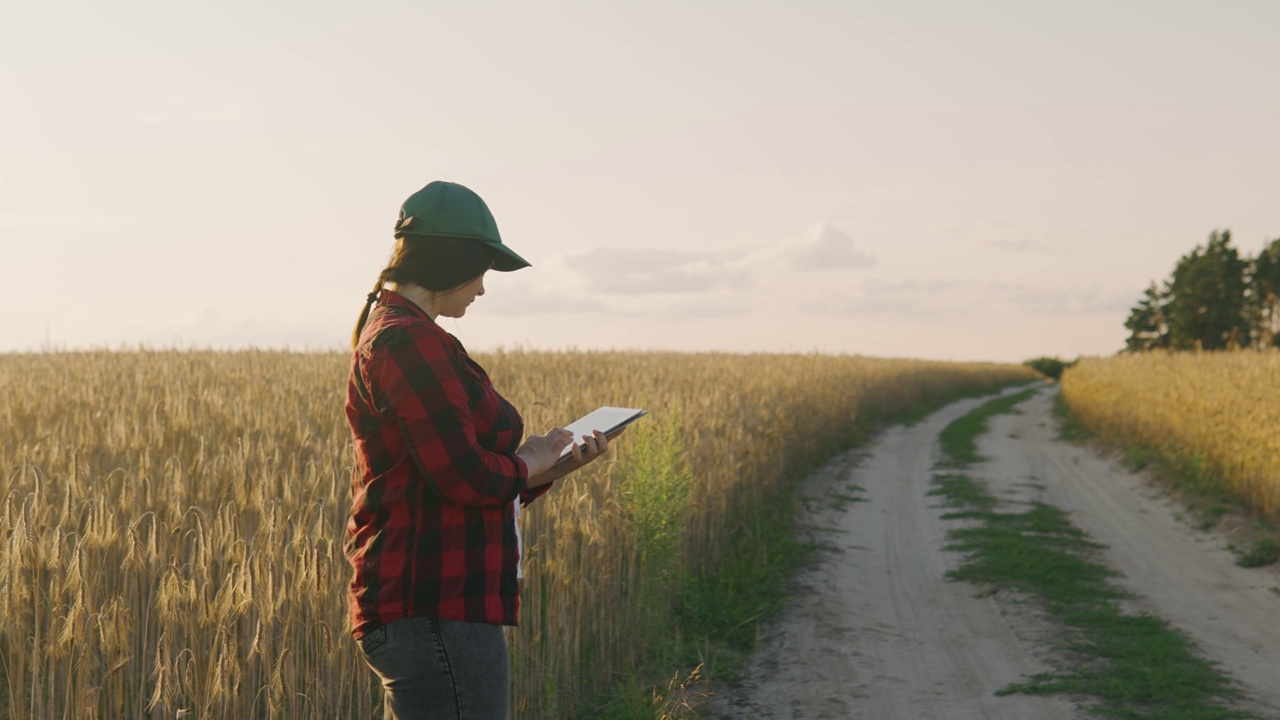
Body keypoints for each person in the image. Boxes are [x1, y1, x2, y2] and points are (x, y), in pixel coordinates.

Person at [344, 181, 614, 720]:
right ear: (453, 261)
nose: (483, 290)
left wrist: (544, 470)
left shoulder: (411, 334)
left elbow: (441, 483)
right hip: (432, 607)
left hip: (435, 606)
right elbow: (463, 475)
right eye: (482, 272)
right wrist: (528, 462)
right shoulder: (407, 339)